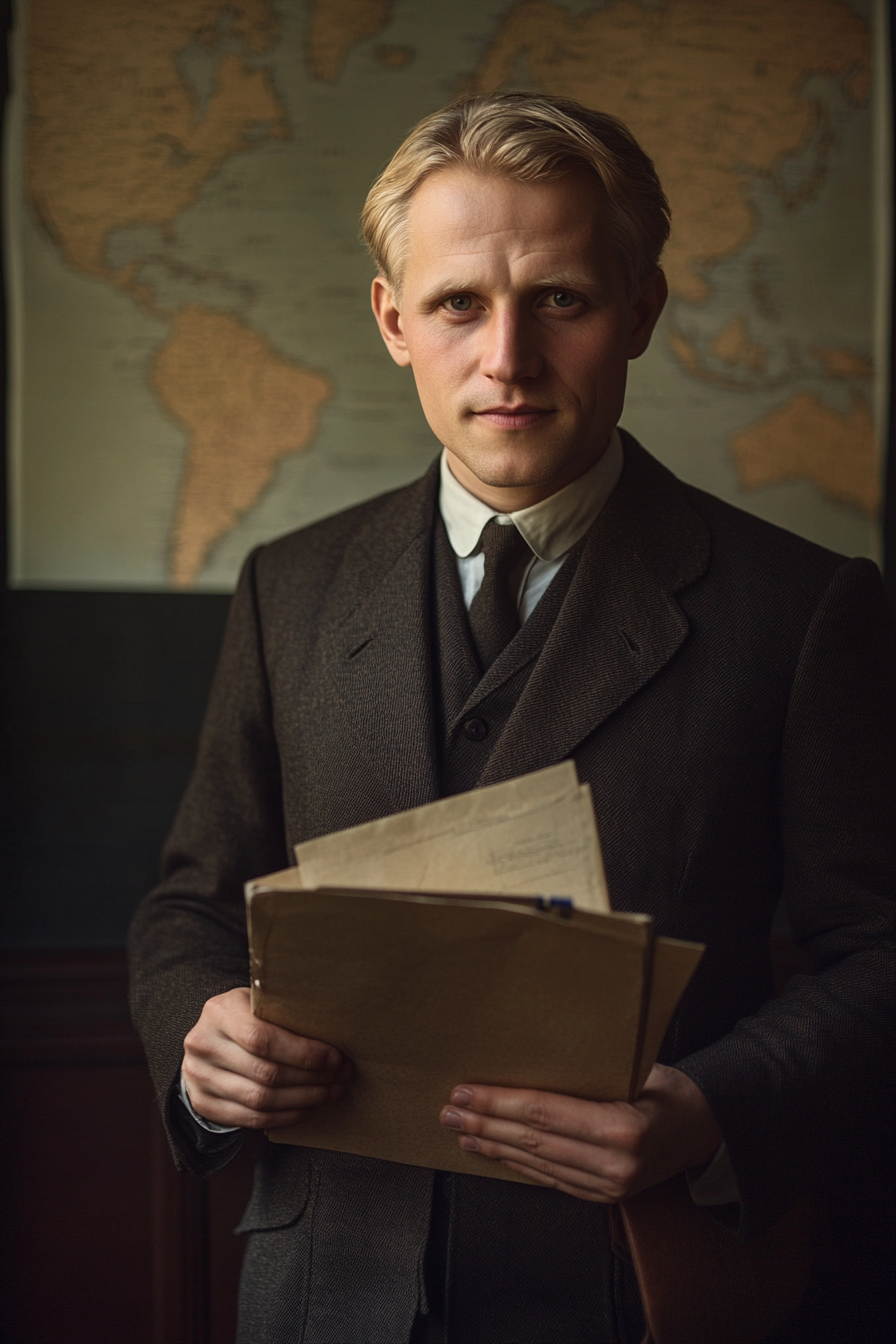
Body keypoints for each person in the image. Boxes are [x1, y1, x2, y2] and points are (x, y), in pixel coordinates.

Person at [129, 93, 894, 1344]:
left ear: (639, 311)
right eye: (455, 305)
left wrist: (710, 1110)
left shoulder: (804, 609)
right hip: (325, 1289)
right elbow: (190, 905)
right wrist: (198, 1036)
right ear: (392, 321)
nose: (505, 360)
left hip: (638, 1284)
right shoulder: (289, 583)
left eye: (561, 300)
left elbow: (877, 948)